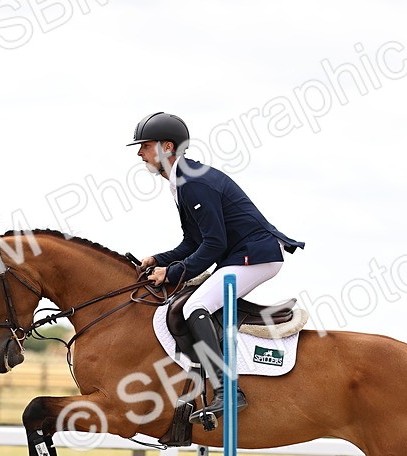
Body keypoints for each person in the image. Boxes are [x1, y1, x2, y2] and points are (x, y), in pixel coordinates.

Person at [128, 111, 304, 426]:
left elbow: (213, 246)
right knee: (193, 300)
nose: (140, 153)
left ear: (167, 147)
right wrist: (159, 259)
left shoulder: (193, 182)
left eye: (145, 145)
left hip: (256, 256)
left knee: (195, 305)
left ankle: (228, 390)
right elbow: (193, 241)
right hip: (242, 255)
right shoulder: (182, 180)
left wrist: (171, 273)